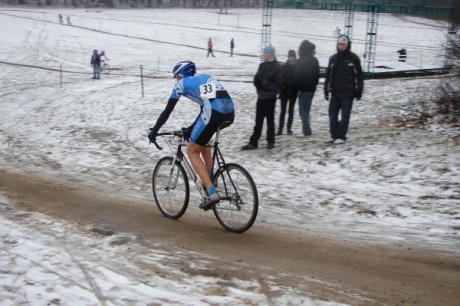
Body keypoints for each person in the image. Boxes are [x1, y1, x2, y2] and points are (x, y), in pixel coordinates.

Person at [148, 61, 235, 210]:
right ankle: (211, 179)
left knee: (192, 151)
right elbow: (206, 107)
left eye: (176, 77)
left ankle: (212, 192)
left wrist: (154, 131)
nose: (176, 80)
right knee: (203, 141)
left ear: (180, 75)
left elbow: (167, 112)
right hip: (229, 112)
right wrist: (191, 128)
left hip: (214, 113)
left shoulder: (180, 85)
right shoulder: (204, 79)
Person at [241, 45, 283, 150]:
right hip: (261, 97)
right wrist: (257, 83)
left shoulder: (277, 67)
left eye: (265, 53)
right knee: (258, 120)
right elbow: (257, 77)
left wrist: (264, 84)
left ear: (269, 54)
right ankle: (253, 142)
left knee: (270, 120)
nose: (263, 55)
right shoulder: (262, 65)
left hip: (270, 98)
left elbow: (278, 84)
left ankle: (270, 141)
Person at [324, 35, 364, 144]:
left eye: (343, 44)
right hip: (335, 92)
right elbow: (328, 76)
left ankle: (341, 136)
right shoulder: (333, 59)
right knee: (332, 115)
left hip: (348, 92)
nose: (341, 46)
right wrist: (326, 90)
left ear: (347, 45)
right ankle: (334, 134)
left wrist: (359, 90)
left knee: (345, 116)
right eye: (339, 44)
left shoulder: (353, 59)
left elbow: (359, 76)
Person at [292, 40, 320, 138]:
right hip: (311, 89)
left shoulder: (300, 61)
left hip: (303, 89)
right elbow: (317, 75)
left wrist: (296, 87)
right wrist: (314, 85)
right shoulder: (314, 60)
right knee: (306, 110)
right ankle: (306, 129)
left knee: (303, 111)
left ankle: (306, 131)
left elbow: (297, 76)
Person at [277, 49, 297, 136]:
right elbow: (281, 79)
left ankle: (289, 129)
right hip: (285, 92)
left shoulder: (297, 67)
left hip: (292, 92)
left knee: (290, 111)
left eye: (292, 57)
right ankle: (280, 129)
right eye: (290, 57)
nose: (291, 58)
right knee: (283, 111)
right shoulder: (284, 67)